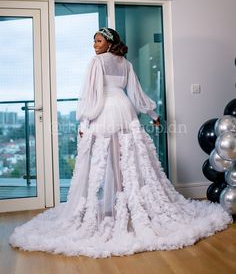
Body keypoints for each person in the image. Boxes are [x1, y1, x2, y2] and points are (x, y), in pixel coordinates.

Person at [9, 28, 232, 258]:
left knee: (105, 159)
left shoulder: (97, 63)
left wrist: (84, 121)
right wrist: (153, 114)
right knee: (127, 157)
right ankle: (120, 205)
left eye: (98, 41)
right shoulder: (125, 63)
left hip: (105, 112)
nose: (94, 45)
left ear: (109, 42)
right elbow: (135, 93)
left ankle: (113, 208)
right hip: (125, 110)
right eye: (94, 41)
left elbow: (91, 95)